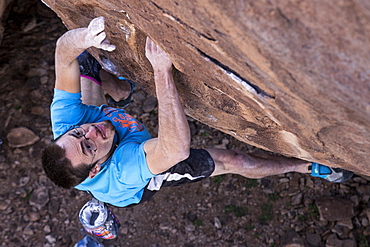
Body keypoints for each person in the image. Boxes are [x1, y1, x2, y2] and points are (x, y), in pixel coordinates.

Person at [41, 17, 353, 208]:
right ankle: (303, 168)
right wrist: (161, 71)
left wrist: (86, 37)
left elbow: (62, 52)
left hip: (105, 145)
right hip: (138, 182)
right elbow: (175, 149)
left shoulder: (69, 124)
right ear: (95, 168)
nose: (92, 131)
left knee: (83, 60)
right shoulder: (124, 171)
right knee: (235, 161)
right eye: (89, 145)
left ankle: (122, 91)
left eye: (79, 133)